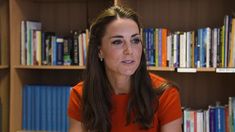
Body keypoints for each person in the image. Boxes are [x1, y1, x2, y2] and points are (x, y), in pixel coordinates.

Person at [67, 5, 182, 132]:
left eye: (135, 40)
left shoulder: (165, 95)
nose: (129, 51)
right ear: (100, 51)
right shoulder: (81, 95)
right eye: (117, 42)